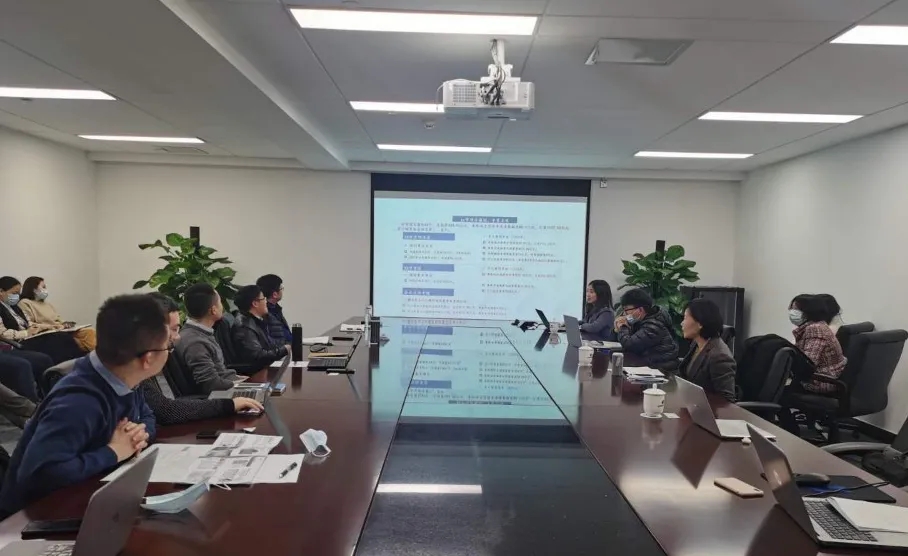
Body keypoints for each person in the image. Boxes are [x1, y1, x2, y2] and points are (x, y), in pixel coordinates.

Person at [0, 294, 163, 517]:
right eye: (168, 346)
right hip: (36, 518)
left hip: (92, 490)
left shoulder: (124, 376)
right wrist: (113, 451)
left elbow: (148, 416)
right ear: (149, 358)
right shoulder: (78, 400)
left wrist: (138, 435)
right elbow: (41, 475)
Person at [143, 293, 262, 425]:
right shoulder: (136, 373)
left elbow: (153, 414)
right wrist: (229, 404)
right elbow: (166, 411)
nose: (177, 337)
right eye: (174, 329)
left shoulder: (153, 364)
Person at [0, 276, 84, 364]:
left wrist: (49, 327)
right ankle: (69, 368)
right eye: (14, 293)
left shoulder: (14, 307)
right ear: (1, 291)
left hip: (29, 338)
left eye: (18, 293)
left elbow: (29, 323)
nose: (17, 296)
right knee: (59, 339)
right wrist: (26, 333)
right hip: (17, 342)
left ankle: (75, 365)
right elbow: (3, 334)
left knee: (63, 337)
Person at [174, 283, 240, 395]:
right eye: (220, 302)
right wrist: (239, 385)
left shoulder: (201, 333)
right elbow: (211, 385)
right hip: (216, 398)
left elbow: (219, 372)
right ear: (213, 310)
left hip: (224, 388)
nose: (222, 306)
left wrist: (239, 380)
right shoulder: (195, 342)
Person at [678, 299, 736, 402]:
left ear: (700, 323)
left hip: (706, 409)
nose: (681, 323)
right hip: (692, 403)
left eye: (685, 318)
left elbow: (726, 400)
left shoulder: (719, 356)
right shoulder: (697, 344)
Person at [18, 276, 97, 352]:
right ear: (34, 289)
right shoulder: (25, 303)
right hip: (47, 332)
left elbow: (58, 319)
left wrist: (65, 324)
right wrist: (51, 327)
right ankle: (95, 355)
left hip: (60, 329)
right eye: (43, 287)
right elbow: (29, 323)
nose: (46, 290)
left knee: (90, 332)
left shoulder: (47, 304)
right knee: (77, 341)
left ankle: (94, 355)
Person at [789, 294, 846, 394]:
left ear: (809, 311)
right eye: (792, 308)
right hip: (828, 378)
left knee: (773, 391)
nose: (792, 312)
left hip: (821, 382)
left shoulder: (815, 329)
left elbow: (807, 363)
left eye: (796, 309)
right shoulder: (820, 325)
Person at [614, 288, 679, 369]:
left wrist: (623, 326)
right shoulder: (640, 321)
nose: (624, 314)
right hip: (648, 364)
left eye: (626, 310)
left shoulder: (654, 326)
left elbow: (629, 345)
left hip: (662, 369)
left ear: (640, 310)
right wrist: (617, 328)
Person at [232, 285, 290, 368]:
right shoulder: (244, 326)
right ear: (255, 303)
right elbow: (258, 356)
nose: (266, 301)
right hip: (256, 372)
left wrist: (284, 347)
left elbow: (268, 346)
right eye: (263, 298)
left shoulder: (256, 320)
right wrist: (284, 350)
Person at [256, 274, 291, 344]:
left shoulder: (276, 309)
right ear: (275, 294)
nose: (282, 291)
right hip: (282, 348)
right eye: (281, 289)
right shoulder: (264, 313)